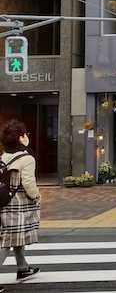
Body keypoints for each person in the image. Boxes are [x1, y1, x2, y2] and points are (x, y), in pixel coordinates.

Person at [0, 119, 41, 290]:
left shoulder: (3, 155)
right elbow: (29, 184)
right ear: (21, 137)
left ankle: (23, 268)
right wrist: (36, 196)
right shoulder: (27, 158)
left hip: (3, 202)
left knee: (14, 237)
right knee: (7, 242)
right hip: (16, 206)